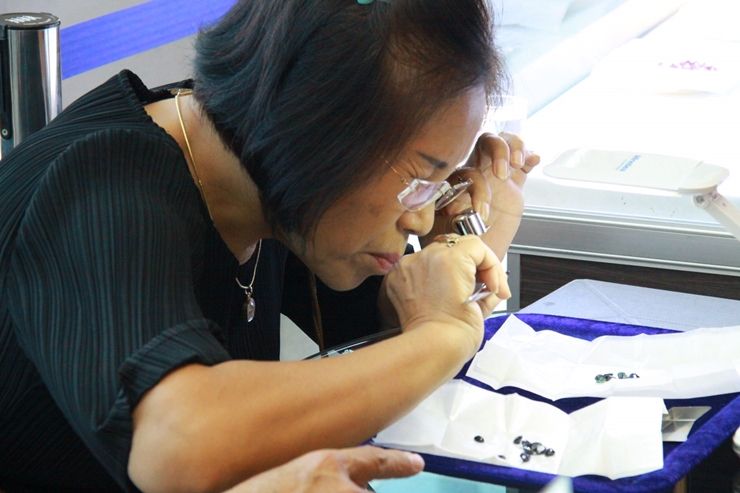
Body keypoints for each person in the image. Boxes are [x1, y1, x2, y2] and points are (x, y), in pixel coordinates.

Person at [0, 0, 539, 492]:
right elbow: (179, 444)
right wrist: (443, 334)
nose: (419, 216)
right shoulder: (103, 185)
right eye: (420, 178)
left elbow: (371, 348)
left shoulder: (268, 172)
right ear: (318, 130)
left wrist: (460, 250)